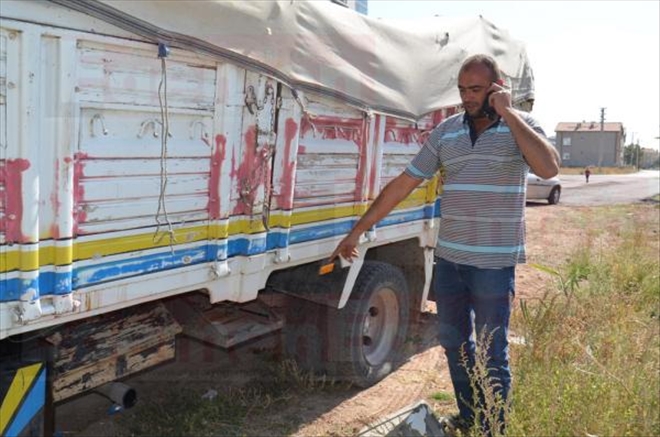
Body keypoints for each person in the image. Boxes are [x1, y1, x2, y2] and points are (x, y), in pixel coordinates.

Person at [331, 54, 560, 435]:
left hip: (492, 265)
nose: (467, 98)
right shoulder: (447, 132)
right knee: (454, 343)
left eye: (476, 90)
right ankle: (471, 418)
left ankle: (494, 428)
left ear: (496, 89)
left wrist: (510, 113)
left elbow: (549, 168)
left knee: (491, 353)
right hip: (450, 261)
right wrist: (358, 231)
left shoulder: (522, 128)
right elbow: (404, 183)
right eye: (462, 90)